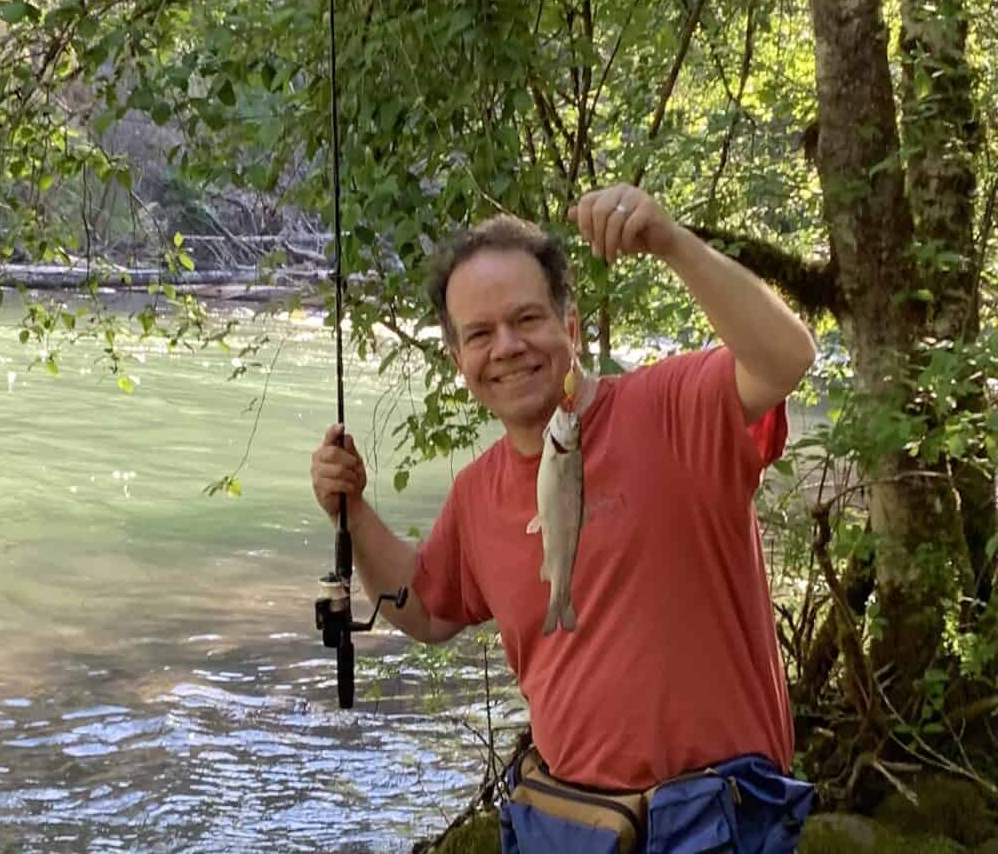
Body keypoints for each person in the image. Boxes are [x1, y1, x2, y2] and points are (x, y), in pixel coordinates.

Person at [311, 182, 818, 850]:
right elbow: (427, 611)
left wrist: (671, 242)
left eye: (527, 320)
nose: (507, 347)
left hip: (712, 822)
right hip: (572, 826)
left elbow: (787, 359)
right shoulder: (477, 492)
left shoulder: (673, 407)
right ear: (458, 359)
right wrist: (352, 512)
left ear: (570, 328)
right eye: (480, 335)